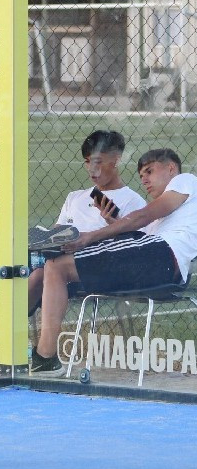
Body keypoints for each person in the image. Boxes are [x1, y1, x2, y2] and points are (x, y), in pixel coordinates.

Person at [0, 130, 146, 372]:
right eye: (87, 162)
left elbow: (134, 248)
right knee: (21, 269)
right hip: (54, 266)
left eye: (97, 162)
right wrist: (45, 240)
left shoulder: (133, 202)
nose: (91, 169)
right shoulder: (75, 197)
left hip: (94, 270)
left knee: (41, 273)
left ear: (115, 160)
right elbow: (55, 232)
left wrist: (111, 224)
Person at [32, 148, 197, 376]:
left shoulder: (186, 180)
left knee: (58, 265)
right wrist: (114, 222)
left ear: (171, 168)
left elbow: (142, 218)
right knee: (53, 266)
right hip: (157, 264)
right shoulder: (162, 221)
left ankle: (44, 357)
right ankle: (41, 355)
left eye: (149, 171)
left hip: (162, 257)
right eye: (141, 175)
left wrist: (89, 237)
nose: (144, 180)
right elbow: (135, 240)